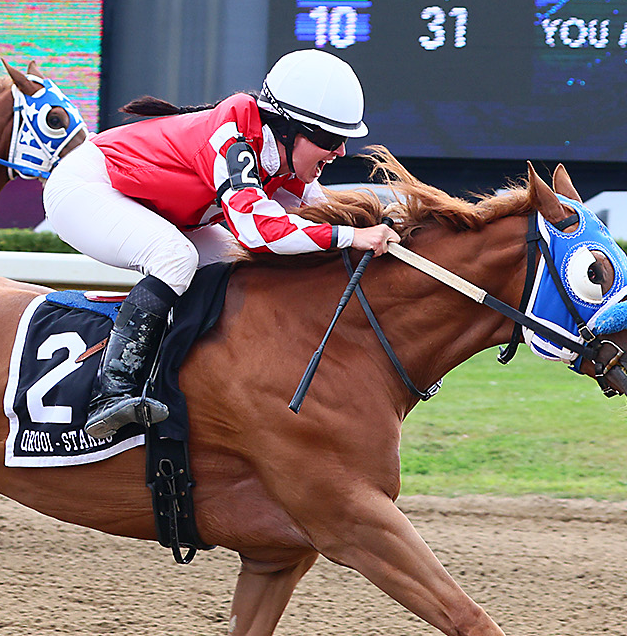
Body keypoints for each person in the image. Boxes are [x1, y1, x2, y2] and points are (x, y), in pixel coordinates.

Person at [41, 48, 401, 440]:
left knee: (236, 266)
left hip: (150, 204)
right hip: (87, 187)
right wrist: (353, 236)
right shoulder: (233, 139)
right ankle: (110, 392)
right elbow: (259, 232)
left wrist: (394, 224)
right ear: (286, 129)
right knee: (176, 258)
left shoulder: (284, 159)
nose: (341, 151)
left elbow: (324, 213)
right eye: (331, 138)